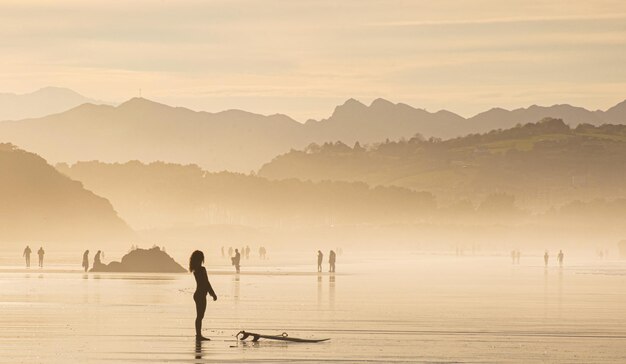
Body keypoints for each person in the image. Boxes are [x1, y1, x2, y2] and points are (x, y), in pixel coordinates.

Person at [189, 250, 217, 341]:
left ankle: (198, 335)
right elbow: (206, 282)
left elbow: (205, 283)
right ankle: (198, 335)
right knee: (200, 316)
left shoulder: (196, 270)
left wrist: (211, 293)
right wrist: (212, 293)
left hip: (199, 294)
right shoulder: (201, 269)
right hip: (200, 295)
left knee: (200, 316)